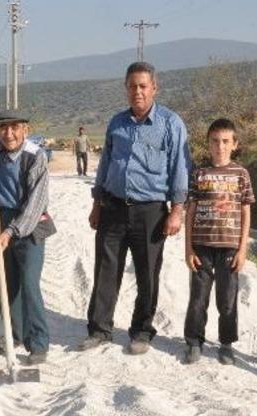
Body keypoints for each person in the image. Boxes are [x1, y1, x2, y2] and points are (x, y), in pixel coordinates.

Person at [78, 61, 191, 355]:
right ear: (125, 89)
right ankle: (100, 329)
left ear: (154, 87)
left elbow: (180, 168)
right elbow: (105, 165)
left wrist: (177, 211)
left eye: (143, 86)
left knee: (147, 273)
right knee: (105, 270)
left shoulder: (171, 123)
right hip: (113, 207)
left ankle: (142, 331)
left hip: (151, 212)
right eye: (132, 86)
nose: (137, 91)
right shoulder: (117, 123)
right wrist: (96, 204)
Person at [0, 110, 56, 365]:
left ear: (25, 129)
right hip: (4, 217)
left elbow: (37, 202)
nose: (8, 134)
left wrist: (12, 232)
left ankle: (39, 342)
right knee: (6, 282)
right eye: (2, 128)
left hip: (31, 224)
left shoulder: (36, 157)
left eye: (14, 128)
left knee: (29, 283)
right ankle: (14, 336)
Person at [184, 118, 254, 365]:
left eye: (225, 141)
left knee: (227, 299)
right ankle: (194, 342)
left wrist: (243, 248)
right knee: (198, 298)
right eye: (215, 141)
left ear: (234, 144)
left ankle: (226, 344)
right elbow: (190, 211)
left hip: (229, 247)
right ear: (208, 143)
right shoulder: (199, 173)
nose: (220, 146)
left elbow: (246, 211)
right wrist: (188, 248)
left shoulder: (241, 174)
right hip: (202, 246)